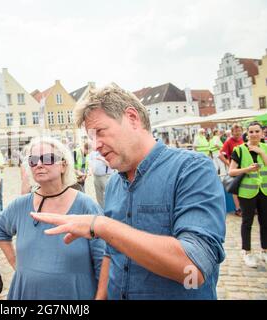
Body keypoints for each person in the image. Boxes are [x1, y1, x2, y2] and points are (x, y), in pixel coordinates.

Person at [32, 84, 226, 300]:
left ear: (132, 118)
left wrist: (102, 225)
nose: (95, 145)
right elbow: (111, 251)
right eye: (90, 138)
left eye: (100, 133)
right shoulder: (115, 183)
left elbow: (194, 267)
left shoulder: (191, 169)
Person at [0, 136, 106, 300]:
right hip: (28, 294)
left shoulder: (86, 206)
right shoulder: (20, 205)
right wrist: (17, 265)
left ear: (63, 165)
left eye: (47, 158)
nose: (39, 164)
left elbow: (103, 261)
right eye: (33, 160)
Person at [228, 121, 267, 268]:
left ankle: (264, 250)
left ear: (262, 133)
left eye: (257, 131)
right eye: (251, 132)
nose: (254, 134)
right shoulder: (239, 150)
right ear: (247, 133)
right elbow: (231, 171)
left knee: (265, 222)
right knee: (247, 222)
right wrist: (247, 169)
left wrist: (261, 152)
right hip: (247, 192)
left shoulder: (265, 148)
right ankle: (247, 252)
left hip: (264, 190)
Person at [220, 124, 244, 216]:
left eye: (239, 131)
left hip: (243, 167)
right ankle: (238, 209)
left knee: (243, 187)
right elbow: (220, 155)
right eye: (235, 131)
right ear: (232, 132)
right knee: (235, 189)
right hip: (234, 169)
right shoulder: (229, 141)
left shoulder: (243, 140)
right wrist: (229, 164)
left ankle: (245, 207)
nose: (237, 133)